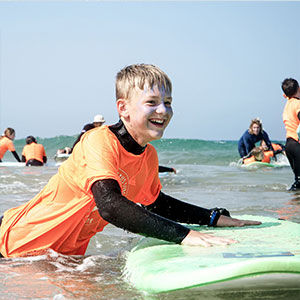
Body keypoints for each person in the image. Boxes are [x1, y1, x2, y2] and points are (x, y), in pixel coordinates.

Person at [0, 64, 261, 258]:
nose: (163, 111)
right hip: (14, 244)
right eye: (152, 102)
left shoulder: (148, 156)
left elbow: (156, 203)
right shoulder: (98, 141)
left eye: (168, 102)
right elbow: (110, 205)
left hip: (59, 257)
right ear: (123, 108)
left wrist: (213, 218)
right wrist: (185, 236)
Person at [282, 78, 300, 190]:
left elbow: (288, 94)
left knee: (297, 180)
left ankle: (294, 204)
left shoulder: (288, 102)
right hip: (297, 145)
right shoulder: (297, 103)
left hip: (288, 146)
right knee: (299, 182)